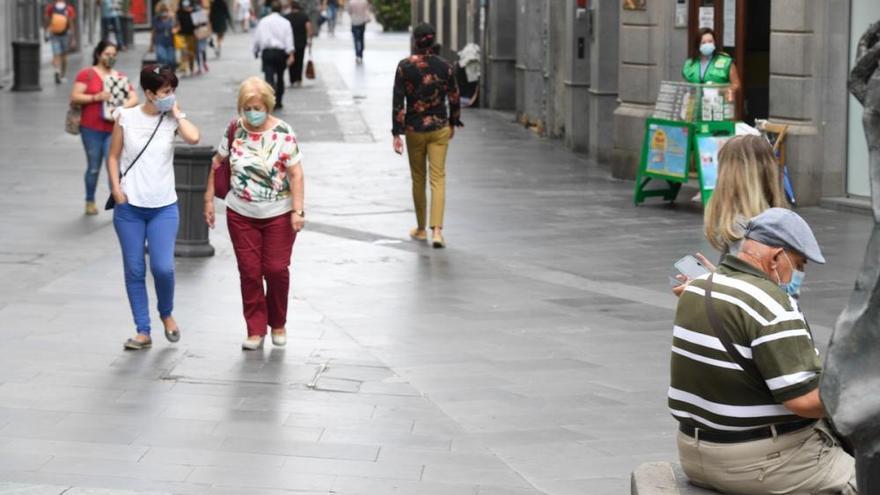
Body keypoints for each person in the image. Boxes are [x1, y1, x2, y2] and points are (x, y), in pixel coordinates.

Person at [670, 208, 857, 494]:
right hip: (761, 462)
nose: (800, 274)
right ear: (775, 257)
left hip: (694, 453)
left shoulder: (697, 288)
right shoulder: (773, 305)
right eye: (800, 264)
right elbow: (804, 402)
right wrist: (857, 393)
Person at [204, 77, 305, 351]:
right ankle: (255, 328)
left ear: (268, 105)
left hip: (279, 213)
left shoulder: (284, 132)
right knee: (249, 272)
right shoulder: (235, 129)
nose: (252, 113)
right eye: (247, 107)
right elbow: (217, 163)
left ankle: (279, 323)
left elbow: (296, 174)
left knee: (274, 269)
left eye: (257, 107)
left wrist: (298, 210)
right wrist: (208, 200)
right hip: (241, 212)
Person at [107, 65, 200, 350]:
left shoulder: (171, 119)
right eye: (165, 92)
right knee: (134, 269)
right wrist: (115, 189)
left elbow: (194, 138)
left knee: (163, 268)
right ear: (148, 93)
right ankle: (143, 330)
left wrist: (177, 112)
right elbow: (113, 157)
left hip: (163, 206)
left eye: (172, 91)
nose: (170, 96)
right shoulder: (125, 117)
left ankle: (166, 313)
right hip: (130, 207)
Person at [672, 135, 787, 296]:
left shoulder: (742, 226)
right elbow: (750, 281)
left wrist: (700, 290)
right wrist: (717, 276)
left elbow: (744, 296)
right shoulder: (777, 220)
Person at [392, 23, 462, 248]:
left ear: (415, 40)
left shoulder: (404, 67)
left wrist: (396, 132)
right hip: (439, 127)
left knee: (418, 179)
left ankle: (421, 229)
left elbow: (398, 101)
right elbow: (454, 97)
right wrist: (453, 122)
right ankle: (438, 231)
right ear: (433, 41)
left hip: (414, 130)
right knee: (438, 178)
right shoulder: (445, 66)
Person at [70, 41, 138, 215]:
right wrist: (97, 97)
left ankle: (117, 202)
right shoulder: (87, 74)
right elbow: (75, 96)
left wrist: (123, 107)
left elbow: (133, 98)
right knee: (93, 166)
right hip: (90, 128)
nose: (111, 57)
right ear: (99, 54)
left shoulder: (119, 77)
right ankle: (89, 200)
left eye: (114, 54)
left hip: (113, 129)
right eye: (108, 54)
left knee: (112, 165)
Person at [683, 28, 741, 109]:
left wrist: (719, 89)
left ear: (715, 43)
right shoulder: (690, 64)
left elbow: (736, 85)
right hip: (695, 111)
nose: (707, 45)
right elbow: (686, 88)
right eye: (703, 42)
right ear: (698, 45)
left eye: (710, 41)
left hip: (718, 109)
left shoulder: (726, 62)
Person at [253, 1, 294, 109]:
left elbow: (257, 37)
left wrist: (255, 50)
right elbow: (288, 39)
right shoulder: (285, 22)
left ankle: (269, 101)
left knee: (268, 77)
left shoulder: (263, 21)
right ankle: (279, 101)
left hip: (267, 52)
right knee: (280, 77)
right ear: (281, 9)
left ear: (270, 9)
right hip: (281, 53)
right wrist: (291, 53)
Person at [44, 0, 76, 84]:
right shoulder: (69, 9)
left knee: (56, 55)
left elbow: (47, 21)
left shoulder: (50, 8)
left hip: (53, 34)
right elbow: (71, 24)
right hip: (65, 35)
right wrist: (73, 39)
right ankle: (62, 75)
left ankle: (56, 70)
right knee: (64, 56)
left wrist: (46, 32)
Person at [285, 1, 312, 87]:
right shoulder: (304, 16)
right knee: (300, 61)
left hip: (290, 43)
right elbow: (308, 28)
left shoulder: (287, 17)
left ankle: (292, 79)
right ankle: (299, 79)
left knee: (291, 61)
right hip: (301, 42)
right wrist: (310, 40)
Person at [149, 2, 176, 69]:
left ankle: (169, 73)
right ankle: (163, 74)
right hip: (160, 42)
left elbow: (178, 26)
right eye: (162, 11)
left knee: (171, 60)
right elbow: (153, 32)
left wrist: (175, 29)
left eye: (165, 10)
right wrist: (151, 45)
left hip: (170, 42)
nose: (164, 12)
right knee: (162, 58)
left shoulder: (171, 18)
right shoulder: (156, 19)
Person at [176, 0, 197, 76]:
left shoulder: (194, 8)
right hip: (182, 34)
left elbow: (198, 20)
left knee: (191, 52)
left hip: (192, 34)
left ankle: (191, 68)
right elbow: (177, 20)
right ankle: (184, 68)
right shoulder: (179, 10)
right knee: (183, 51)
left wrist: (191, 10)